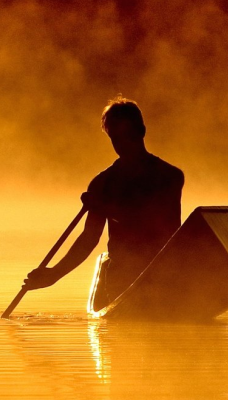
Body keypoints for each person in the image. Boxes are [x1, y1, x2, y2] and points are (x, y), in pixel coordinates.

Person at [23, 96, 184, 310]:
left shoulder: (169, 176)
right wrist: (54, 274)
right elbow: (89, 238)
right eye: (115, 138)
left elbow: (155, 221)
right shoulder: (102, 184)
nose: (122, 144)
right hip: (123, 277)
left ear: (142, 131)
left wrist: (103, 207)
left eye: (128, 136)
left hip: (165, 275)